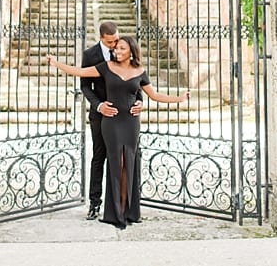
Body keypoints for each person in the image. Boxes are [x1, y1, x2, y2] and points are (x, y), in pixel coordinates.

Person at [47, 36, 189, 229]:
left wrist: (179, 99)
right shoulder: (106, 67)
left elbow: (155, 95)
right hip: (111, 122)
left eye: (122, 48)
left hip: (131, 123)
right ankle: (114, 213)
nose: (117, 51)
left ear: (131, 51)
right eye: (116, 48)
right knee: (116, 164)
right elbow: (80, 72)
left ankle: (126, 210)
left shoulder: (140, 71)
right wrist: (56, 63)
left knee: (127, 165)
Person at [80, 22, 142, 220]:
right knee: (99, 157)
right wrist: (99, 105)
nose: (115, 45)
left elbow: (136, 80)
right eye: (111, 42)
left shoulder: (124, 51)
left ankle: (127, 204)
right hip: (101, 115)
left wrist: (140, 101)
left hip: (126, 116)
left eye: (117, 40)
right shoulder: (90, 55)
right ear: (101, 38)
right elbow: (85, 86)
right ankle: (94, 204)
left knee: (129, 157)